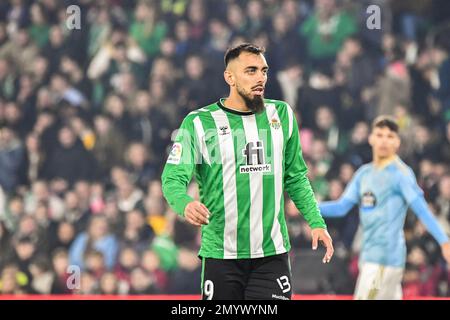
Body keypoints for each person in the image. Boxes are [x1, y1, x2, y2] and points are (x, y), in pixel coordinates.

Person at [161, 43, 333, 300]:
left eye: (263, 71)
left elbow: (295, 176)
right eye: (250, 71)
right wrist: (184, 203)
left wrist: (316, 222)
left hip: (271, 255)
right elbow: (172, 177)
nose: (260, 77)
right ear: (229, 77)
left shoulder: (282, 115)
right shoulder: (198, 123)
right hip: (222, 254)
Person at [319, 116, 450, 300]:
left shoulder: (401, 174)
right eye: (379, 135)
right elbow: (341, 207)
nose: (384, 141)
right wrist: (308, 207)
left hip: (384, 259)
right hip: (369, 257)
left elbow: (421, 209)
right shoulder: (364, 174)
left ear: (397, 142)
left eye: (389, 136)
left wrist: (444, 242)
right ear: (371, 138)